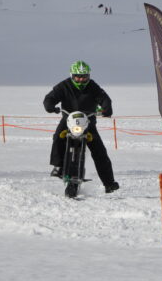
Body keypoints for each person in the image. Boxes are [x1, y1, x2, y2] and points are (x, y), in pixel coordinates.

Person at [43, 60, 119, 193]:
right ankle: (58, 166)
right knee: (57, 137)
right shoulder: (64, 85)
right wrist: (50, 106)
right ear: (72, 75)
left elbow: (104, 98)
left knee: (99, 151)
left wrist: (106, 108)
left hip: (88, 122)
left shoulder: (93, 86)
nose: (81, 79)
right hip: (68, 120)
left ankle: (109, 183)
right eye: (78, 76)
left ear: (88, 76)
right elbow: (50, 97)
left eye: (84, 76)